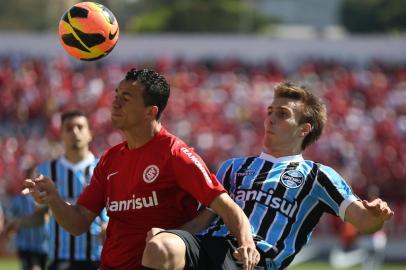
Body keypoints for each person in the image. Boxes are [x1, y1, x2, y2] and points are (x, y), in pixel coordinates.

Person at [23, 69, 259, 270]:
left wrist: (247, 243)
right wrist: (53, 199)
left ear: (150, 111)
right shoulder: (110, 159)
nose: (115, 102)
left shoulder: (176, 154)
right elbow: (79, 222)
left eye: (126, 97)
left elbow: (228, 207)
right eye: (116, 94)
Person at [142, 81, 394, 270]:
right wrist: (167, 233)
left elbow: (365, 222)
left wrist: (376, 216)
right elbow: (202, 222)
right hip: (209, 249)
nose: (271, 119)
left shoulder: (318, 176)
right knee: (159, 245)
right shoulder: (232, 167)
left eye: (282, 114)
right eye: (270, 111)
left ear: (304, 129)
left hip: (255, 262)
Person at [21, 111, 107, 270]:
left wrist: (109, 227)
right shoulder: (46, 171)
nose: (75, 132)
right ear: (61, 134)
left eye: (80, 127)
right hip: (61, 258)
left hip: (98, 257)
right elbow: (41, 216)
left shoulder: (104, 168)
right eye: (69, 128)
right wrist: (19, 222)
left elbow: (115, 211)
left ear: (90, 133)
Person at [4, 166, 48, 270]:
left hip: (42, 245)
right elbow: (10, 218)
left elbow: (49, 217)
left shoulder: (46, 197)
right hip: (26, 245)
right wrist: (11, 230)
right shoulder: (19, 199)